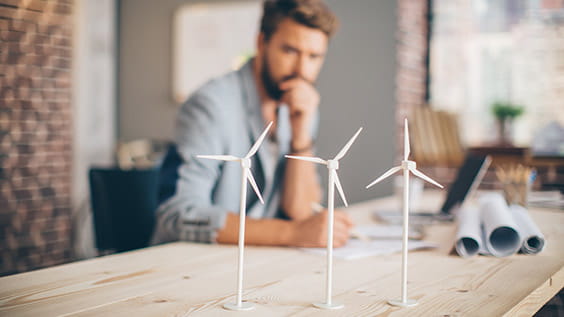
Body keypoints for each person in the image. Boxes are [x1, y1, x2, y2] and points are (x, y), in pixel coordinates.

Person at [152, 0, 354, 248]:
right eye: (290, 51)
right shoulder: (210, 106)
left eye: (314, 56)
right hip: (195, 264)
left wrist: (300, 135)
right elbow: (181, 215)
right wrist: (291, 234)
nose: (301, 70)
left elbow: (300, 211)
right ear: (261, 43)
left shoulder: (301, 107)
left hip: (258, 264)